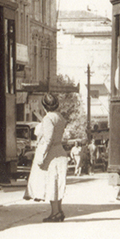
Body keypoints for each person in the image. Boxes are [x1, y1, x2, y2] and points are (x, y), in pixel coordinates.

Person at [26, 93, 69, 221]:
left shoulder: (48, 118)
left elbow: (48, 139)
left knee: (51, 183)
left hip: (52, 154)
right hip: (60, 151)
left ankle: (55, 213)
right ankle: (59, 211)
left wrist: (41, 156)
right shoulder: (60, 117)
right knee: (58, 183)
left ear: (44, 105)